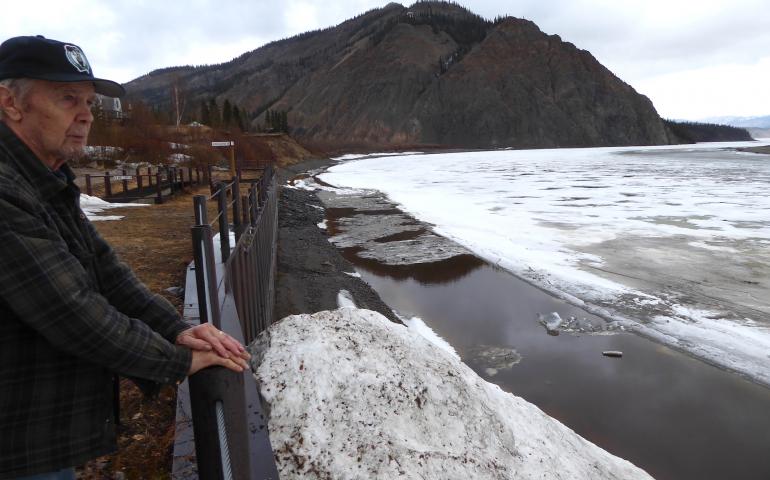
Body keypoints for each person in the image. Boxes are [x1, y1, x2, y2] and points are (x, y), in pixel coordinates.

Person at [0, 36, 250, 479]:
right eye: (67, 98)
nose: (85, 115)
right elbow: (69, 308)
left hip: (32, 430)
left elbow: (108, 274)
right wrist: (176, 362)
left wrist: (178, 330)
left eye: (90, 102)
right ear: (9, 102)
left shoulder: (43, 178)